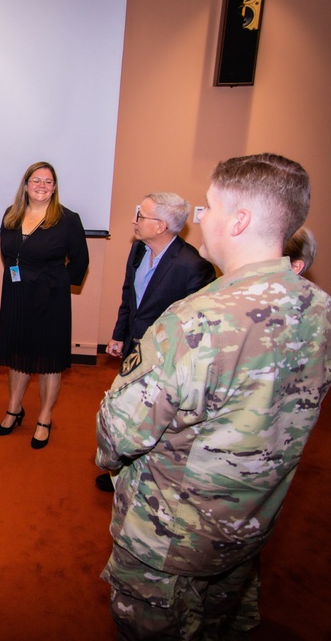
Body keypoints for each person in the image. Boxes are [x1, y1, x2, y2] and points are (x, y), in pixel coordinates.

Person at [96, 153, 331, 639]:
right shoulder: (324, 311)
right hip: (249, 528)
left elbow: (118, 434)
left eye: (207, 209)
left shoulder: (194, 321)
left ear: (240, 220)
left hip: (169, 537)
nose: (200, 220)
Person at [96, 192, 215, 492]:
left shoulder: (193, 266)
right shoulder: (138, 250)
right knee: (131, 411)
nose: (134, 221)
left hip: (165, 359)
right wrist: (118, 334)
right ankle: (120, 473)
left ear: (161, 226)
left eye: (141, 216)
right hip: (133, 349)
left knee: (154, 419)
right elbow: (129, 297)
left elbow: (194, 327)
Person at [0, 161, 89, 448]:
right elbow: (9, 256)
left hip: (51, 298)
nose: (42, 186)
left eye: (48, 181)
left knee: (49, 361)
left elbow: (80, 260)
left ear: (55, 187)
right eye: (36, 180)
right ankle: (14, 409)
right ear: (25, 185)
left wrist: (58, 284)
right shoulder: (11, 215)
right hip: (16, 295)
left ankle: (44, 416)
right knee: (17, 354)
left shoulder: (68, 219)